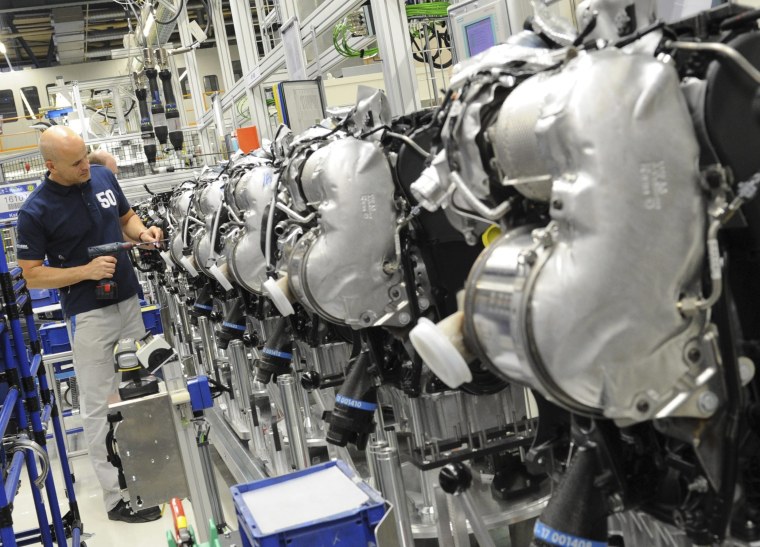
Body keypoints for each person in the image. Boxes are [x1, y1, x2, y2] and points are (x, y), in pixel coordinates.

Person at [16, 126, 163, 523]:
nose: (86, 165)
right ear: (51, 166)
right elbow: (32, 275)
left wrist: (143, 233)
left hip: (129, 301)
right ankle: (117, 498)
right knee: (99, 405)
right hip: (89, 315)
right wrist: (85, 271)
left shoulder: (101, 175)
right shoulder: (36, 210)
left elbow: (126, 216)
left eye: (85, 155)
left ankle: (152, 477)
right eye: (76, 161)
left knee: (141, 391)